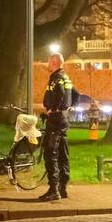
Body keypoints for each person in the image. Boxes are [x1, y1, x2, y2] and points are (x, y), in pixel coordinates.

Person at [38, 53, 73, 202]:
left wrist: (53, 108)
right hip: (63, 119)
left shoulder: (57, 78)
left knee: (50, 153)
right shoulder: (66, 77)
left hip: (56, 119)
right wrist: (67, 107)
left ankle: (54, 190)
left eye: (49, 61)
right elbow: (74, 94)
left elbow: (59, 93)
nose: (47, 64)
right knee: (61, 153)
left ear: (55, 63)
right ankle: (62, 188)